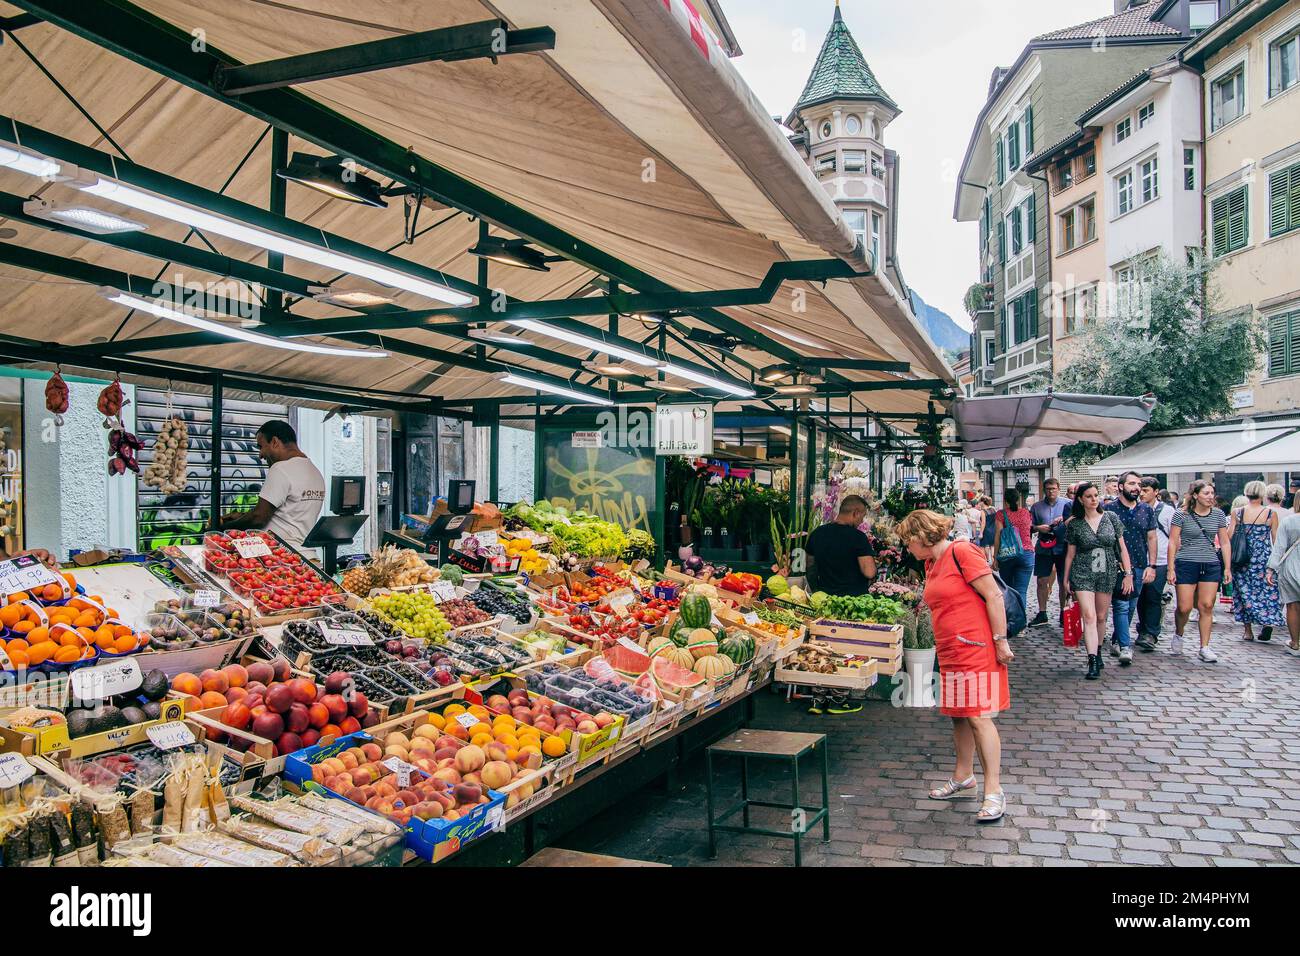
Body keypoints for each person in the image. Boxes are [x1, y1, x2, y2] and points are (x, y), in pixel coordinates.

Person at [897, 509, 1012, 824]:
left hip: (976, 647)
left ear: (922, 536)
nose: (907, 548)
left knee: (979, 718)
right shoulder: (931, 562)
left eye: (908, 542)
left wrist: (1000, 641)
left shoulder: (962, 551)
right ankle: (964, 777)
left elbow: (994, 596)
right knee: (960, 716)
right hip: (951, 650)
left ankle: (994, 790)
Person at [217, 420, 326, 549]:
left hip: (279, 556)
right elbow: (287, 515)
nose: (260, 455)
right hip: (306, 556)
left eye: (261, 446)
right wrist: (241, 516)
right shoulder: (315, 472)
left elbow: (259, 517)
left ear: (274, 442)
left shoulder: (281, 468)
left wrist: (223, 528)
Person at [1064, 482, 1132, 680]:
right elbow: (1070, 554)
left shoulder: (1111, 518)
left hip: (1106, 570)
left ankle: (1098, 649)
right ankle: (1092, 659)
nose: (1094, 499)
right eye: (1089, 496)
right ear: (1080, 499)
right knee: (1089, 616)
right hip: (1082, 571)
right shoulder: (1075, 524)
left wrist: (1128, 573)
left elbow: (1122, 548)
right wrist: (1066, 580)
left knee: (1101, 616)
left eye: (1096, 495)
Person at [1168, 479, 1231, 662]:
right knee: (1184, 607)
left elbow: (1224, 542)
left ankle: (1205, 646)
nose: (1210, 497)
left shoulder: (1218, 514)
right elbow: (1173, 541)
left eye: (1212, 493)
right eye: (1206, 493)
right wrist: (1171, 568)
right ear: (1195, 495)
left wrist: (1227, 567)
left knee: (1207, 605)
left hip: (1210, 562)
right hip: (1186, 562)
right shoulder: (1181, 515)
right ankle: (1179, 633)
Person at [1103, 471, 1157, 666]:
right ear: (1120, 486)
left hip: (1140, 565)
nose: (1136, 487)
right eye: (1132, 483)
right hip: (1116, 565)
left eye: (1139, 484)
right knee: (1121, 605)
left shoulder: (1146, 510)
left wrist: (1152, 565)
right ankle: (1125, 646)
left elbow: (1152, 537)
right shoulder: (1108, 509)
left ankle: (1118, 639)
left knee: (1131, 605)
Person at [1227, 480, 1285, 643]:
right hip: (1262, 557)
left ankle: (1248, 631)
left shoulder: (1237, 512)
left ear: (1246, 493)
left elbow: (1229, 535)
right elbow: (1275, 539)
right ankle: (1268, 622)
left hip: (1242, 558)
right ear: (1262, 494)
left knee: (1243, 592)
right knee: (1267, 591)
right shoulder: (1269, 513)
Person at [806, 495, 877, 597]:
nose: (862, 521)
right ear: (856, 513)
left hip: (826, 599)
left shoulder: (817, 533)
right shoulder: (858, 537)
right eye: (862, 516)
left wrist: (816, 589)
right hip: (853, 602)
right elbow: (869, 572)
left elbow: (810, 567)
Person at [1135, 476, 1173, 652]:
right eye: (1140, 490)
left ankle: (1151, 632)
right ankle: (1143, 629)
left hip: (1160, 560)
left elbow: (1174, 538)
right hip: (1139, 559)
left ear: (1156, 492)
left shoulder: (1167, 511)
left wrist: (1173, 564)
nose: (1141, 493)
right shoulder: (1136, 509)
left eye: (1146, 490)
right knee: (1140, 597)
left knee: (1153, 596)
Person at [1029, 478, 1070, 627]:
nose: (1050, 491)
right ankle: (1042, 612)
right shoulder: (1036, 507)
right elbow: (1029, 525)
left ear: (1058, 489)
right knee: (1041, 580)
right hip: (1044, 546)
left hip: (1063, 546)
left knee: (1063, 582)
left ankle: (1063, 612)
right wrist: (1038, 528)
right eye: (1048, 489)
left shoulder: (1067, 504)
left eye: (1053, 488)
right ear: (1043, 490)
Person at [992, 488, 1034, 612]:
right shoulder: (1026, 513)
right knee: (1021, 590)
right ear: (1018, 499)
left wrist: (995, 557)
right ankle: (1021, 623)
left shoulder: (1001, 514)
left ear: (1005, 501)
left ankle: (1011, 620)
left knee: (1007, 588)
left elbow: (998, 536)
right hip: (1026, 553)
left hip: (1007, 554)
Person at [1268, 497, 1300, 655]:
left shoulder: (1289, 521)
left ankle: (1295, 643)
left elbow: (1279, 547)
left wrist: (1271, 568)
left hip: (1291, 565)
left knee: (1292, 605)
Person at [978, 495, 997, 563]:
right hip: (993, 530)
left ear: (983, 502)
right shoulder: (993, 509)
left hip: (986, 530)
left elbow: (983, 523)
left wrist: (980, 533)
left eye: (980, 501)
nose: (979, 503)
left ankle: (987, 560)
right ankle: (994, 561)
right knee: (992, 546)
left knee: (985, 545)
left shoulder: (983, 511)